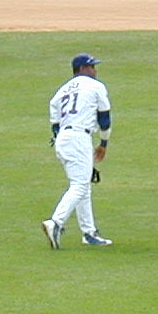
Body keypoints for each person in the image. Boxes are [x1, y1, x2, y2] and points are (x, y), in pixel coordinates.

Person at [42, 52, 112, 249]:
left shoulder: (61, 91)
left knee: (83, 184)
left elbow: (55, 124)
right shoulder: (95, 86)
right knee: (80, 185)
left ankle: (89, 233)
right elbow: (104, 118)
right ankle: (55, 222)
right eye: (91, 67)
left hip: (64, 139)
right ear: (82, 69)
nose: (95, 70)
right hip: (79, 138)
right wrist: (103, 143)